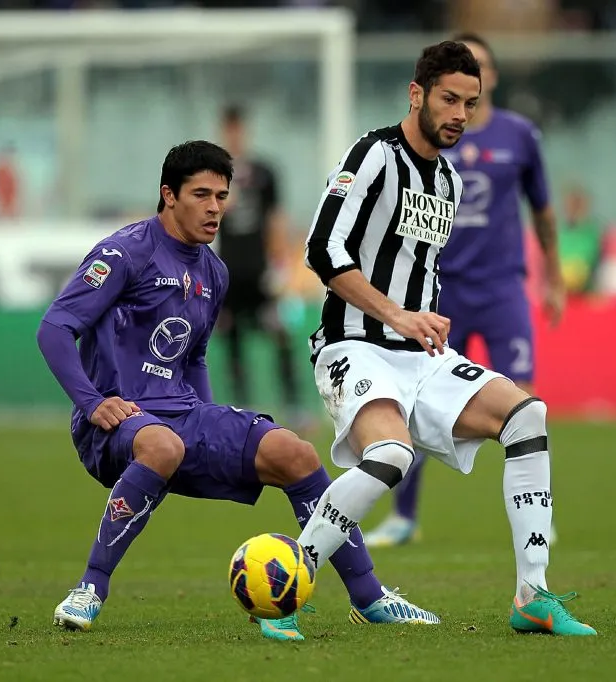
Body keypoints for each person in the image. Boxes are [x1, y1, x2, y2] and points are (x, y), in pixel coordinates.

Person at [36, 141, 438, 643]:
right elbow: (54, 328)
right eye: (200, 194)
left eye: (221, 196)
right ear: (168, 195)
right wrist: (93, 403)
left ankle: (370, 596)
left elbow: (196, 357)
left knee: (296, 453)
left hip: (181, 415)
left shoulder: (213, 272)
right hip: (117, 420)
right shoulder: (124, 253)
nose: (215, 208)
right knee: (162, 444)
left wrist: (207, 415)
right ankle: (89, 588)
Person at [295, 41, 595, 636]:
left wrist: (424, 318)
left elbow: (419, 265)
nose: (461, 113)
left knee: (527, 417)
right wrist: (398, 314)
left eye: (471, 103)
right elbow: (321, 248)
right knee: (391, 455)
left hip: (420, 356)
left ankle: (531, 596)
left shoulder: (449, 180)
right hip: (354, 345)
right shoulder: (373, 155)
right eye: (449, 100)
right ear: (417, 95)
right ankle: (289, 580)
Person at [364, 33, 566, 548]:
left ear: (491, 77)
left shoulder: (520, 135)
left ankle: (536, 517)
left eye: (481, 71)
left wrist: (555, 278)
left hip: (502, 287)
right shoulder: (423, 149)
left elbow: (542, 209)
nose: (460, 107)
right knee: (415, 401)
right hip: (441, 290)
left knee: (523, 403)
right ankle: (403, 516)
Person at [215, 106, 303, 421]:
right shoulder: (213, 174)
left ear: (245, 131)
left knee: (280, 333)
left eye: (238, 128)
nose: (234, 134)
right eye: (229, 129)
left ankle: (293, 405)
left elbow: (276, 221)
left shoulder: (265, 172)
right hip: (228, 274)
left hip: (260, 273)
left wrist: (280, 267)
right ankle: (241, 408)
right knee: (232, 338)